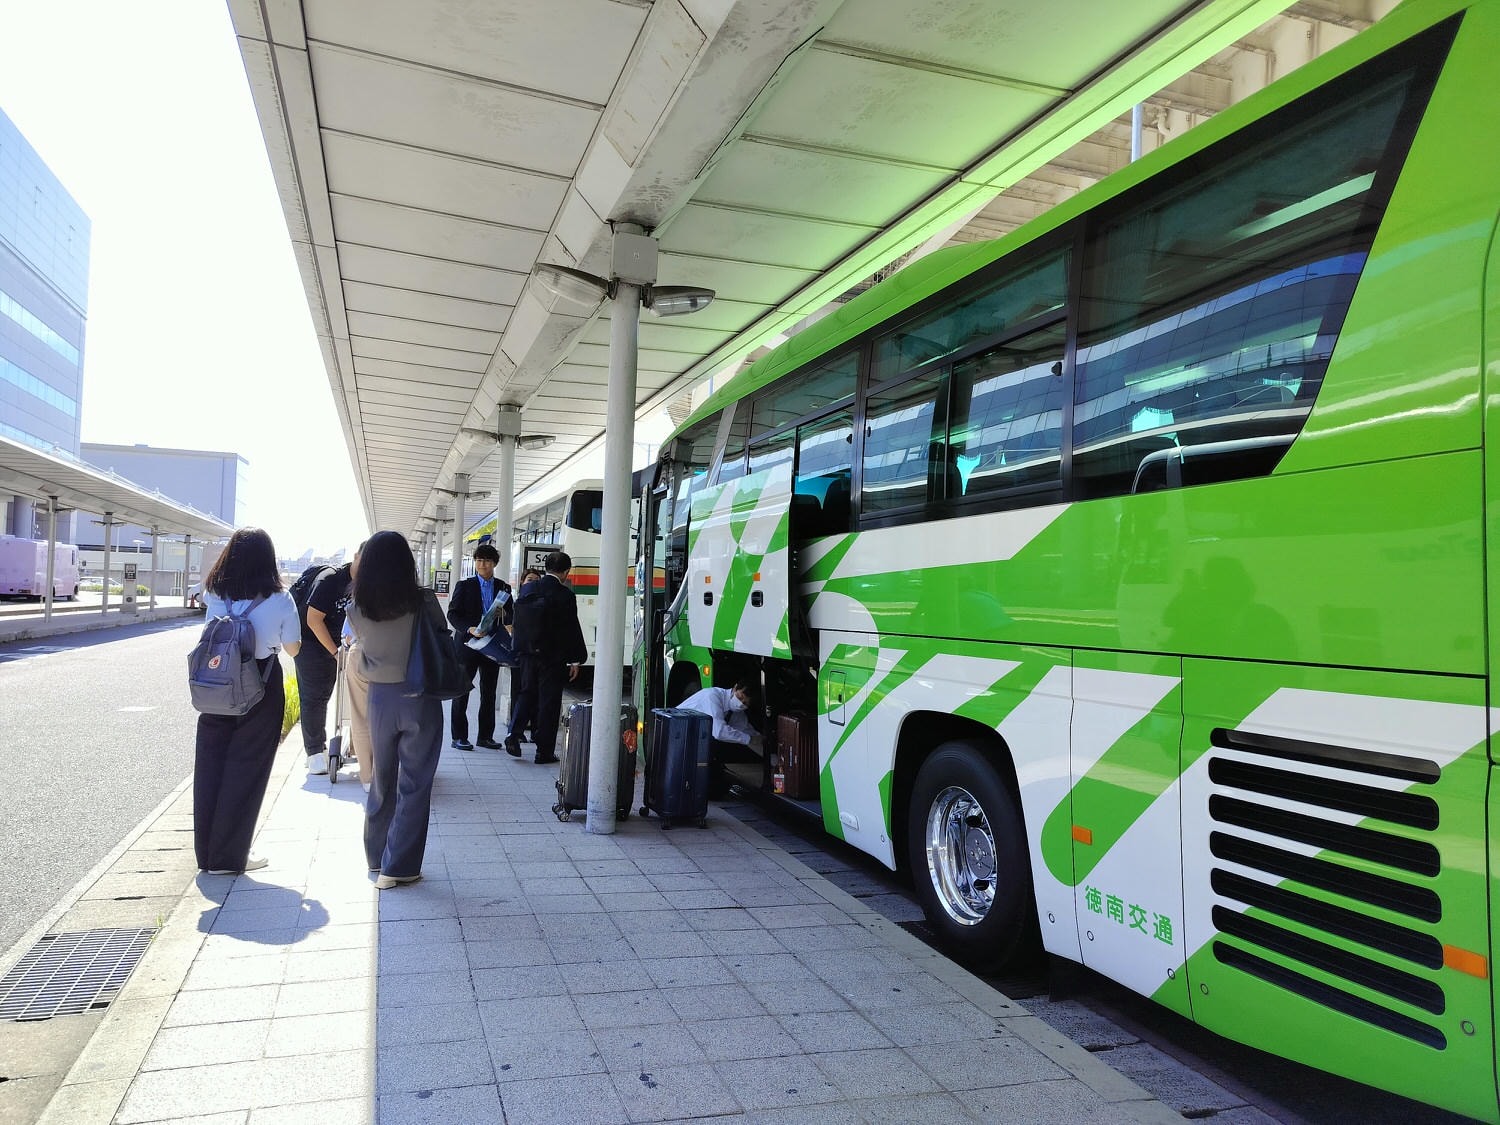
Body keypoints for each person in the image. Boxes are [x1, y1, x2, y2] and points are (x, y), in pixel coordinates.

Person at [193, 527, 301, 875]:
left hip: (215, 683)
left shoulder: (214, 592)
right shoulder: (281, 599)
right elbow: (293, 648)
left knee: (210, 766)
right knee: (246, 768)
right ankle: (229, 857)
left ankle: (207, 855)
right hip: (260, 683)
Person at [346, 530, 443, 889]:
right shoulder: (422, 601)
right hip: (420, 696)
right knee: (415, 783)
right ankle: (397, 867)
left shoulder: (356, 607)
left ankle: (376, 856)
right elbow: (440, 636)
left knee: (382, 779)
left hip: (380, 699)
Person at [505, 551, 586, 765]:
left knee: (526, 693)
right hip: (553, 657)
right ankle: (544, 751)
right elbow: (572, 628)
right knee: (549, 702)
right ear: (566, 571)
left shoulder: (528, 589)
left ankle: (513, 734)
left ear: (545, 568)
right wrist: (576, 659)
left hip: (528, 654)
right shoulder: (565, 595)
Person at [445, 543, 512, 751]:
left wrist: (505, 616)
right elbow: (453, 614)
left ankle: (485, 736)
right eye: (479, 560)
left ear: (494, 564)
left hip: (491, 645)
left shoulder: (503, 587)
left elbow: (511, 614)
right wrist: (470, 628)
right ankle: (459, 737)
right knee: (462, 691)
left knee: (489, 692)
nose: (482, 564)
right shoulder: (465, 585)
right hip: (468, 645)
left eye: (487, 561)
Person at [292, 561, 353, 774]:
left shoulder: (360, 584)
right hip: (309, 643)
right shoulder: (329, 579)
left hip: (333, 644)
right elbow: (313, 619)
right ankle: (315, 752)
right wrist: (335, 653)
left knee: (324, 694)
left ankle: (319, 747)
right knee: (313, 697)